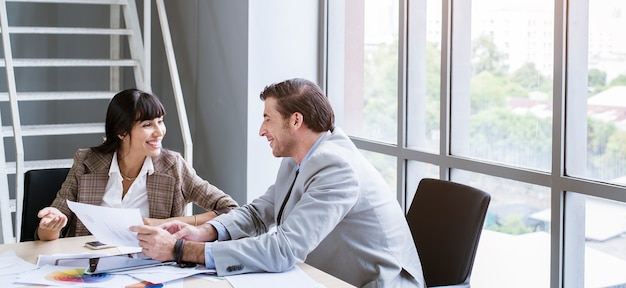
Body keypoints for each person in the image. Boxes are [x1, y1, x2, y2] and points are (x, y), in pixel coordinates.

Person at [132, 78, 425, 288]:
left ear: (295, 121)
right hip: (324, 276)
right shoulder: (299, 154)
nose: (261, 130)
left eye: (267, 119)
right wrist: (203, 232)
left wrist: (180, 250)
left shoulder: (337, 167)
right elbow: (261, 212)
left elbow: (284, 250)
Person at [37, 88, 238, 241]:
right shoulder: (86, 161)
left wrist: (163, 224)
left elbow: (230, 210)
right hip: (89, 270)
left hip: (148, 269)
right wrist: (51, 226)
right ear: (122, 132)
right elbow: (48, 232)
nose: (159, 132)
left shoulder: (173, 166)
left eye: (160, 121)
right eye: (147, 125)